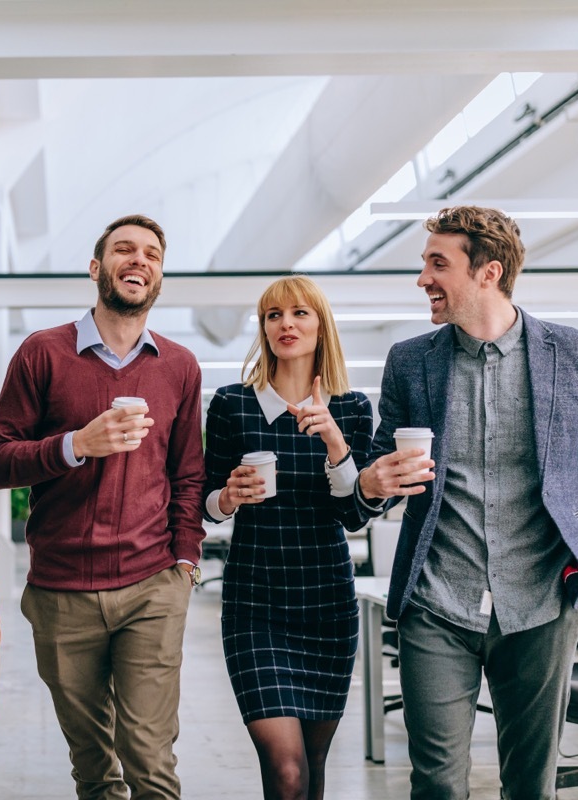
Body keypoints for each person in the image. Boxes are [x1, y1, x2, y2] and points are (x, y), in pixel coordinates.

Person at [355, 205, 578, 800]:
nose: (422, 279)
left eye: (438, 264)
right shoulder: (411, 361)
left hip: (542, 603)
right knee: (436, 783)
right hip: (437, 600)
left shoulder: (577, 355)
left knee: (530, 785)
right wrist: (371, 484)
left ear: (488, 271)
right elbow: (379, 477)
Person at [0, 214, 205, 800]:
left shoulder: (179, 366)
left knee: (150, 758)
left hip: (152, 584)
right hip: (62, 590)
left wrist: (184, 559)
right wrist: (75, 445)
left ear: (159, 277)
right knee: (93, 766)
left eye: (152, 254)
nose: (139, 260)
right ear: (96, 268)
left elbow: (187, 475)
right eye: (124, 250)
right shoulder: (42, 353)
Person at [202, 275, 373, 800]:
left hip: (327, 603)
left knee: (314, 769)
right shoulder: (233, 404)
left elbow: (356, 514)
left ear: (320, 326)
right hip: (256, 604)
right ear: (263, 329)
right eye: (274, 316)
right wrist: (228, 496)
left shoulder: (351, 408)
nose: (286, 325)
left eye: (299, 313)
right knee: (287, 770)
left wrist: (332, 438)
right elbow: (205, 504)